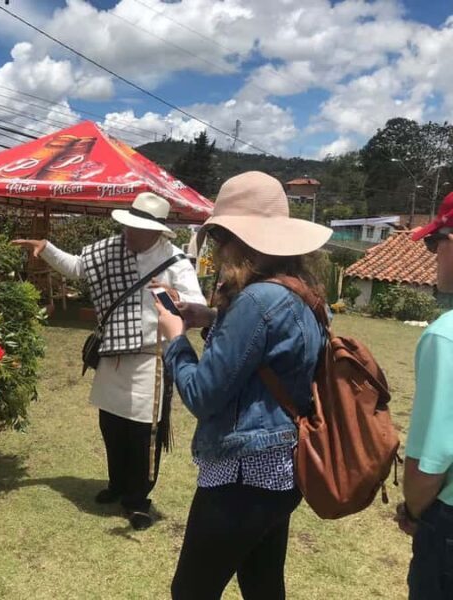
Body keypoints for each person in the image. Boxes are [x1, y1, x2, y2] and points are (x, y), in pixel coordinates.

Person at [155, 171, 332, 599]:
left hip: (241, 474)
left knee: (191, 591)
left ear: (238, 241)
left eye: (220, 239)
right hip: (283, 470)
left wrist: (174, 337)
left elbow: (201, 395)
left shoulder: (255, 300)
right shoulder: (304, 292)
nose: (218, 250)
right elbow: (274, 347)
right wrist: (211, 318)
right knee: (263, 584)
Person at [13, 192, 205, 530]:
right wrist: (46, 248)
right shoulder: (111, 249)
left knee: (143, 435)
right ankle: (117, 484)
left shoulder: (176, 263)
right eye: (128, 226)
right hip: (112, 355)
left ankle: (138, 499)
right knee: (112, 427)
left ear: (157, 232)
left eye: (137, 228)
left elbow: (197, 307)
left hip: (151, 361)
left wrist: (178, 300)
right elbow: (76, 267)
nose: (129, 234)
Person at [395, 192, 453, 599]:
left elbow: (428, 466)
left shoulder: (445, 337)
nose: (432, 255)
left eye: (436, 244)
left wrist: (414, 510)